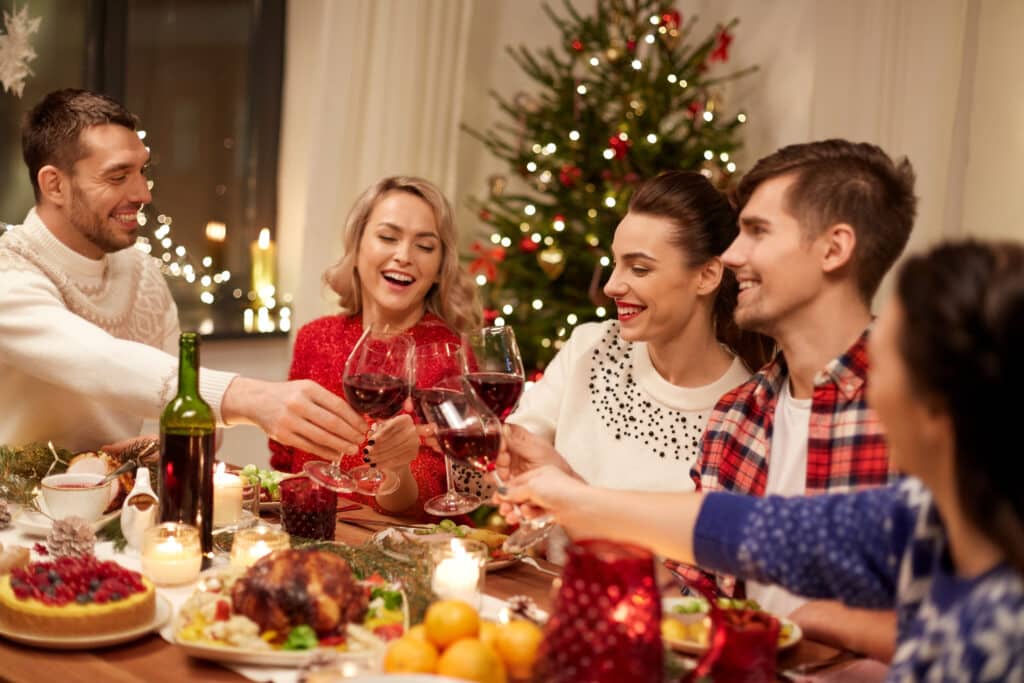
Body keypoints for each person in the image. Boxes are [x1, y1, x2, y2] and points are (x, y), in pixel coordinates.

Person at [499, 239, 1024, 681]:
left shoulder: (997, 632)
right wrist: (568, 492)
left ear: (938, 411)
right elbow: (756, 529)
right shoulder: (916, 512)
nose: (866, 387)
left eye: (886, 363)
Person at [0, 88, 365, 460]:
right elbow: (94, 358)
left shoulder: (142, 272)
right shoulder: (9, 272)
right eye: (117, 177)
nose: (142, 193)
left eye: (142, 171)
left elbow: (191, 414)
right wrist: (252, 397)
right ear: (54, 185)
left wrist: (169, 445)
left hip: (117, 507)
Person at [505, 171, 772, 494]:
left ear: (706, 275)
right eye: (615, 263)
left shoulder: (746, 407)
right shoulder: (590, 347)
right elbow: (509, 472)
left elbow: (701, 539)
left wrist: (569, 487)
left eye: (640, 269)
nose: (611, 286)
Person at [268, 176, 484, 518]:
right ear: (356, 247)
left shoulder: (446, 352)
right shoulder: (314, 337)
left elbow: (428, 502)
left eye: (424, 246)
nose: (404, 256)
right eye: (388, 237)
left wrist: (396, 469)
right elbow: (283, 462)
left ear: (441, 268)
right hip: (317, 539)